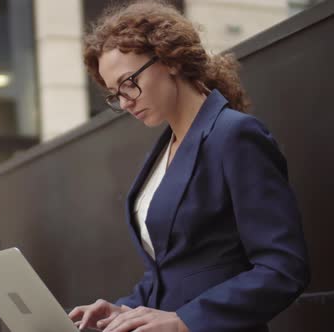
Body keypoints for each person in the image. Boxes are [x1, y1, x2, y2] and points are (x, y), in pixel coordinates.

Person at [68, 1, 310, 332]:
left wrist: (186, 321)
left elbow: (283, 267)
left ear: (169, 60)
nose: (125, 102)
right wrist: (122, 309)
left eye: (129, 82)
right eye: (115, 94)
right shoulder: (164, 148)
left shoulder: (235, 135)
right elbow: (172, 270)